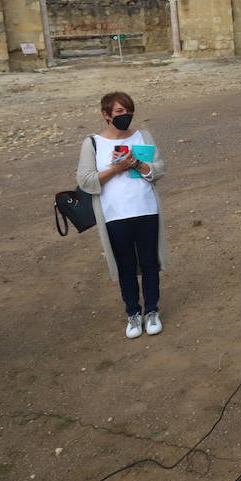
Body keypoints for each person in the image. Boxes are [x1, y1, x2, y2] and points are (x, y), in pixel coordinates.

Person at [77, 91, 168, 340]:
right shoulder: (93, 143)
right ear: (106, 115)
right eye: (119, 112)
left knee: (150, 263)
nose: (125, 115)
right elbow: (85, 180)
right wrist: (116, 168)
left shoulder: (144, 136)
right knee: (125, 265)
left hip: (146, 209)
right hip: (114, 215)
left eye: (128, 111)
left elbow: (159, 170)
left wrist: (137, 164)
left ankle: (151, 311)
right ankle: (133, 313)